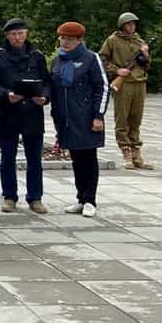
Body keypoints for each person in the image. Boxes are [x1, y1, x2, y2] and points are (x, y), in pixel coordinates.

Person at [0, 18, 51, 214]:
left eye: (21, 33)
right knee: (7, 158)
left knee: (35, 160)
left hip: (33, 112)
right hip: (9, 112)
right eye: (13, 34)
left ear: (26, 34)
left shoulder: (37, 56)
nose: (17, 37)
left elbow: (47, 82)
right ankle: (9, 196)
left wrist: (45, 97)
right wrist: (6, 94)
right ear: (7, 36)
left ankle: (35, 198)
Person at [51, 21, 110, 217]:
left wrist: (98, 116)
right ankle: (81, 198)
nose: (65, 42)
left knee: (88, 159)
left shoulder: (91, 58)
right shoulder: (58, 60)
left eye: (70, 39)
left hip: (86, 118)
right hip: (66, 120)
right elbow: (54, 87)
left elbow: (103, 87)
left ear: (80, 40)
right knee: (76, 159)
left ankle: (90, 200)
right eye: (63, 38)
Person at [99, 12, 153, 170]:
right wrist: (117, 70)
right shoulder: (112, 40)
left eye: (134, 23)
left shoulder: (139, 41)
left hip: (139, 82)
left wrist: (146, 55)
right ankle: (126, 152)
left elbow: (147, 65)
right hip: (123, 84)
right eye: (129, 24)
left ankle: (136, 152)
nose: (132, 26)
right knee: (122, 119)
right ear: (122, 25)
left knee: (136, 119)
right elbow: (102, 59)